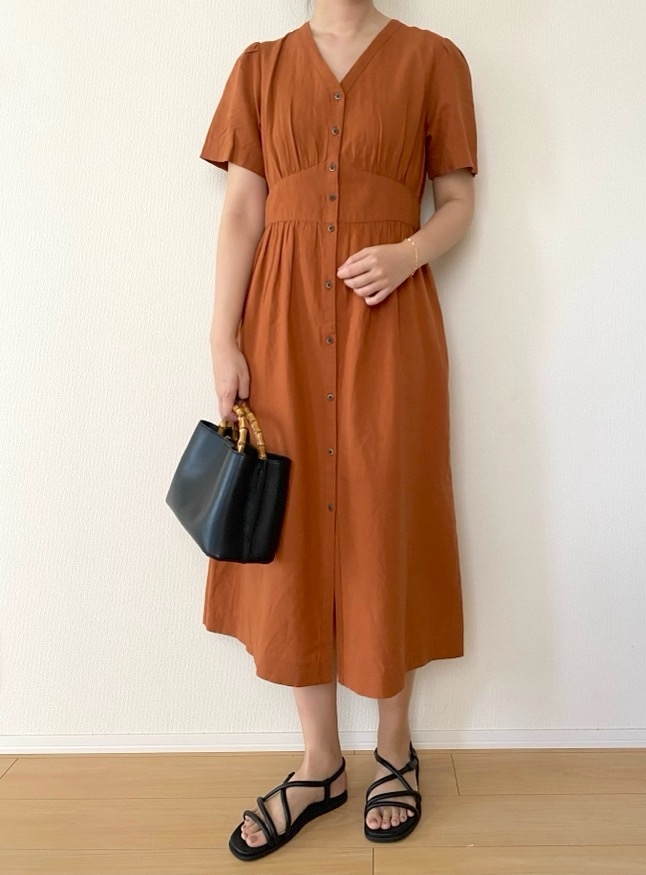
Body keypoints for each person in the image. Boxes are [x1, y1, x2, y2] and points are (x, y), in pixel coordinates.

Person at [199, 0, 478, 861]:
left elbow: (460, 200)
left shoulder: (434, 58)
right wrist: (222, 337)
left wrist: (408, 251)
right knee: (291, 531)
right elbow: (244, 209)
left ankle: (395, 746)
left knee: (383, 517)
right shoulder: (259, 65)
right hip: (278, 328)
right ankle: (320, 763)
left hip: (388, 322)